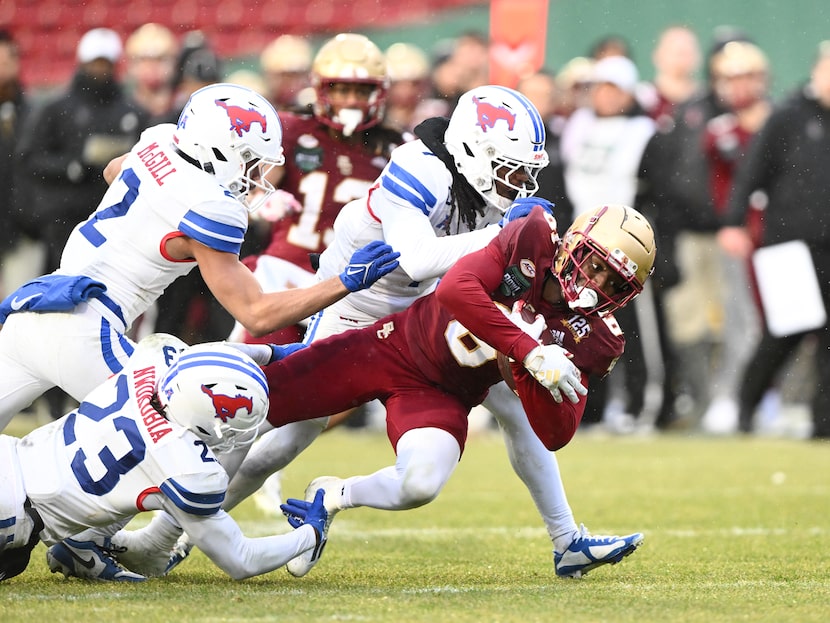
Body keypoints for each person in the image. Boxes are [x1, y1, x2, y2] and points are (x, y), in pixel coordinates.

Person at [243, 204, 653, 578]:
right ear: (572, 246)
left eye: (613, 283)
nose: (595, 283)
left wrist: (538, 377)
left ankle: (331, 495)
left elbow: (556, 434)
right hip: (390, 347)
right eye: (594, 265)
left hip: (445, 396)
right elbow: (454, 289)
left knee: (420, 484)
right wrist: (527, 349)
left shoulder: (597, 337)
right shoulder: (531, 238)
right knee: (253, 411)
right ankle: (182, 526)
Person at [0, 82, 401, 434]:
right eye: (247, 157)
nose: (252, 172)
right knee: (176, 438)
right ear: (222, 148)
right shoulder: (211, 207)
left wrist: (152, 213)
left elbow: (112, 171)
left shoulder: (157, 140)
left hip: (39, 302)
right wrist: (345, 281)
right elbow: (257, 314)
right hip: (87, 329)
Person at [0, 335, 329, 582]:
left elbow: (208, 353)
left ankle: (83, 545)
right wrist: (311, 533)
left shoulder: (154, 360)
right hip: (11, 516)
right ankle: (81, 545)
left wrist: (271, 353)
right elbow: (241, 559)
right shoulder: (184, 465)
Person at [718, 40, 830, 439]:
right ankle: (745, 406)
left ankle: (823, 426)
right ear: (818, 72)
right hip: (789, 245)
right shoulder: (787, 117)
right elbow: (750, 175)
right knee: (784, 333)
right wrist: (732, 222)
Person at [560, 55, 659, 432]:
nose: (603, 95)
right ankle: (591, 407)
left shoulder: (645, 131)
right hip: (581, 244)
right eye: (598, 87)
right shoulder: (577, 127)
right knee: (578, 326)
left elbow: (655, 192)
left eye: (612, 87)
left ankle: (640, 404)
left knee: (631, 326)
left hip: (624, 245)